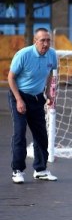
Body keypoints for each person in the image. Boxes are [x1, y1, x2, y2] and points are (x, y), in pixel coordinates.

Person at [7, 27, 58, 184]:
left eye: (48, 40)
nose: (46, 43)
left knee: (41, 135)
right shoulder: (24, 55)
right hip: (19, 95)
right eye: (42, 40)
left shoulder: (52, 55)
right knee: (20, 133)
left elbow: (50, 72)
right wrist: (19, 100)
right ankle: (17, 170)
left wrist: (48, 93)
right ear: (35, 41)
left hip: (37, 98)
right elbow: (11, 77)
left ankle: (40, 170)